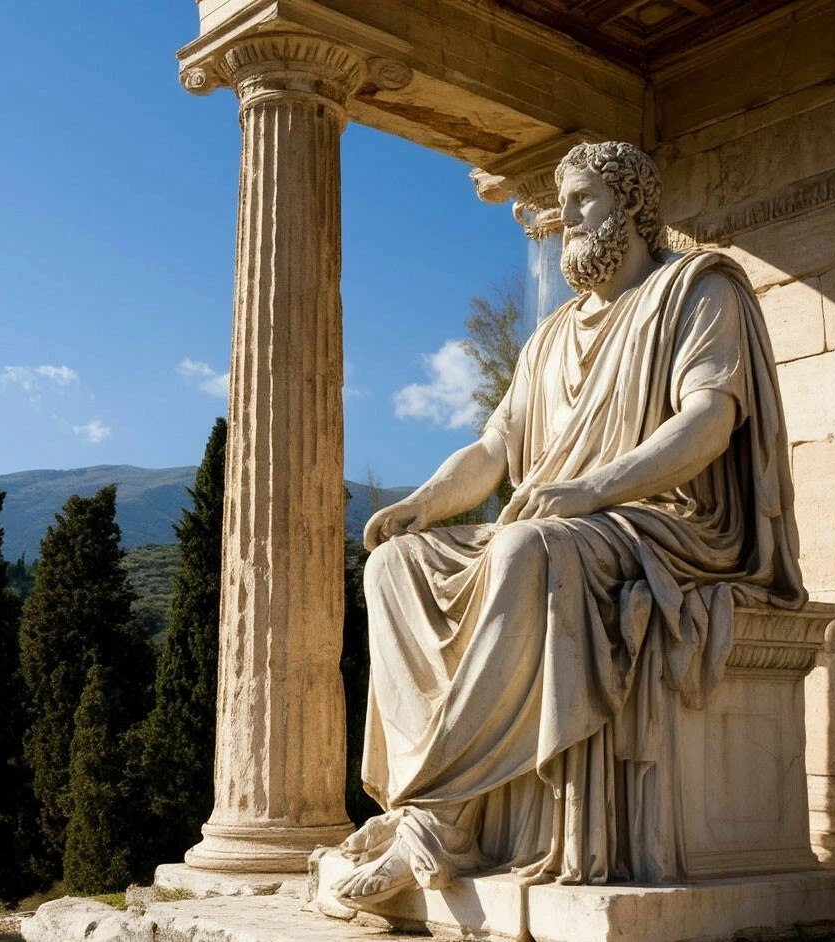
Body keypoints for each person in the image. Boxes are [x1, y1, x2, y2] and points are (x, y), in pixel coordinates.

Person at [332, 141, 806, 909]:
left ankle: (441, 820)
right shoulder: (549, 337)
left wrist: (591, 489)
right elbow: (495, 448)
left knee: (526, 547)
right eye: (564, 205)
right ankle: (425, 797)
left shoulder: (697, 290)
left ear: (633, 204)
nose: (568, 219)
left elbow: (709, 421)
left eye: (584, 199)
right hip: (574, 519)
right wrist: (426, 503)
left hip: (671, 524)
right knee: (395, 565)